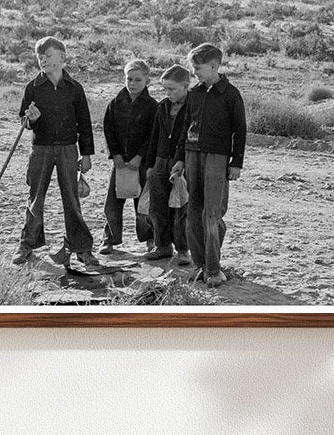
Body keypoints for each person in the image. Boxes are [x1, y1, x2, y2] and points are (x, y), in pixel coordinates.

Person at [12, 36, 98, 266]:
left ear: (62, 57)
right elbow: (24, 120)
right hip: (40, 149)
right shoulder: (33, 87)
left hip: (69, 149)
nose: (43, 60)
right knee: (35, 197)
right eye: (40, 56)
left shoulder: (75, 88)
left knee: (72, 199)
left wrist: (86, 154)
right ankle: (27, 245)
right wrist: (31, 121)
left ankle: (81, 247)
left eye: (48, 56)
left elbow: (85, 123)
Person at [172, 43, 246, 287]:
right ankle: (200, 266)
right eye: (193, 67)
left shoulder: (231, 94)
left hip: (217, 158)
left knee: (212, 214)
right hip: (192, 156)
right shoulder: (194, 93)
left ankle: (214, 270)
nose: (194, 72)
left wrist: (236, 163)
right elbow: (185, 127)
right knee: (193, 213)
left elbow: (240, 130)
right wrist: (180, 159)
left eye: (198, 68)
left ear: (214, 66)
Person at [99, 59, 157, 255]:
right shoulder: (115, 103)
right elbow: (108, 130)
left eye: (138, 80)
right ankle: (110, 238)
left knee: (143, 202)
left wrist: (140, 156)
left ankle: (150, 239)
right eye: (129, 79)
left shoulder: (152, 106)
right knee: (113, 202)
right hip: (120, 162)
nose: (132, 83)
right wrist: (114, 154)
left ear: (147, 81)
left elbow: (152, 135)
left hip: (141, 163)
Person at [145, 64, 191, 264]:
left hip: (181, 161)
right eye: (166, 89)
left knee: (181, 207)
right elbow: (154, 135)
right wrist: (150, 164)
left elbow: (187, 136)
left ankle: (182, 249)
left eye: (172, 89)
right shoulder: (163, 106)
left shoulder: (193, 106)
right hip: (161, 160)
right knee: (157, 206)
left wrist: (181, 159)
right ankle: (162, 246)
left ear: (186, 86)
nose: (168, 93)